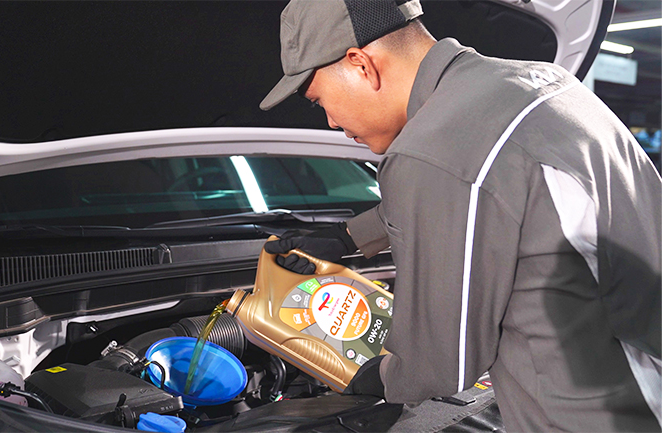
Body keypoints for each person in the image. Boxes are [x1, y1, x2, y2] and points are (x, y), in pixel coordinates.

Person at [258, 0, 662, 431]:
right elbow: (492, 189)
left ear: (361, 64)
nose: (331, 122)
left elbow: (440, 359)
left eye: (319, 101)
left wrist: (380, 377)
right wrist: (348, 236)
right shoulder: (541, 83)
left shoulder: (432, 147)